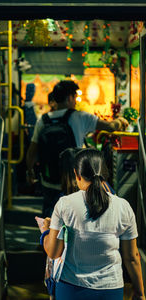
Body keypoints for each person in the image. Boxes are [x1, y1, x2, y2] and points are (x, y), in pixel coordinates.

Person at [41, 148, 145, 300]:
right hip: (111, 289)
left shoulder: (65, 204)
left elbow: (54, 252)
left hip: (71, 288)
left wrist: (45, 233)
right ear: (105, 172)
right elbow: (132, 257)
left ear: (76, 174)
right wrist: (140, 292)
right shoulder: (123, 206)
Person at [26, 80, 128, 217]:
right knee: (73, 218)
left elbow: (32, 151)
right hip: (73, 182)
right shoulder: (80, 117)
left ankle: (50, 237)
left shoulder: (42, 120)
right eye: (75, 97)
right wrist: (120, 121)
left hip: (49, 180)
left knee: (50, 219)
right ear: (69, 98)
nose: (76, 100)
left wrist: (30, 171)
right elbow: (109, 127)